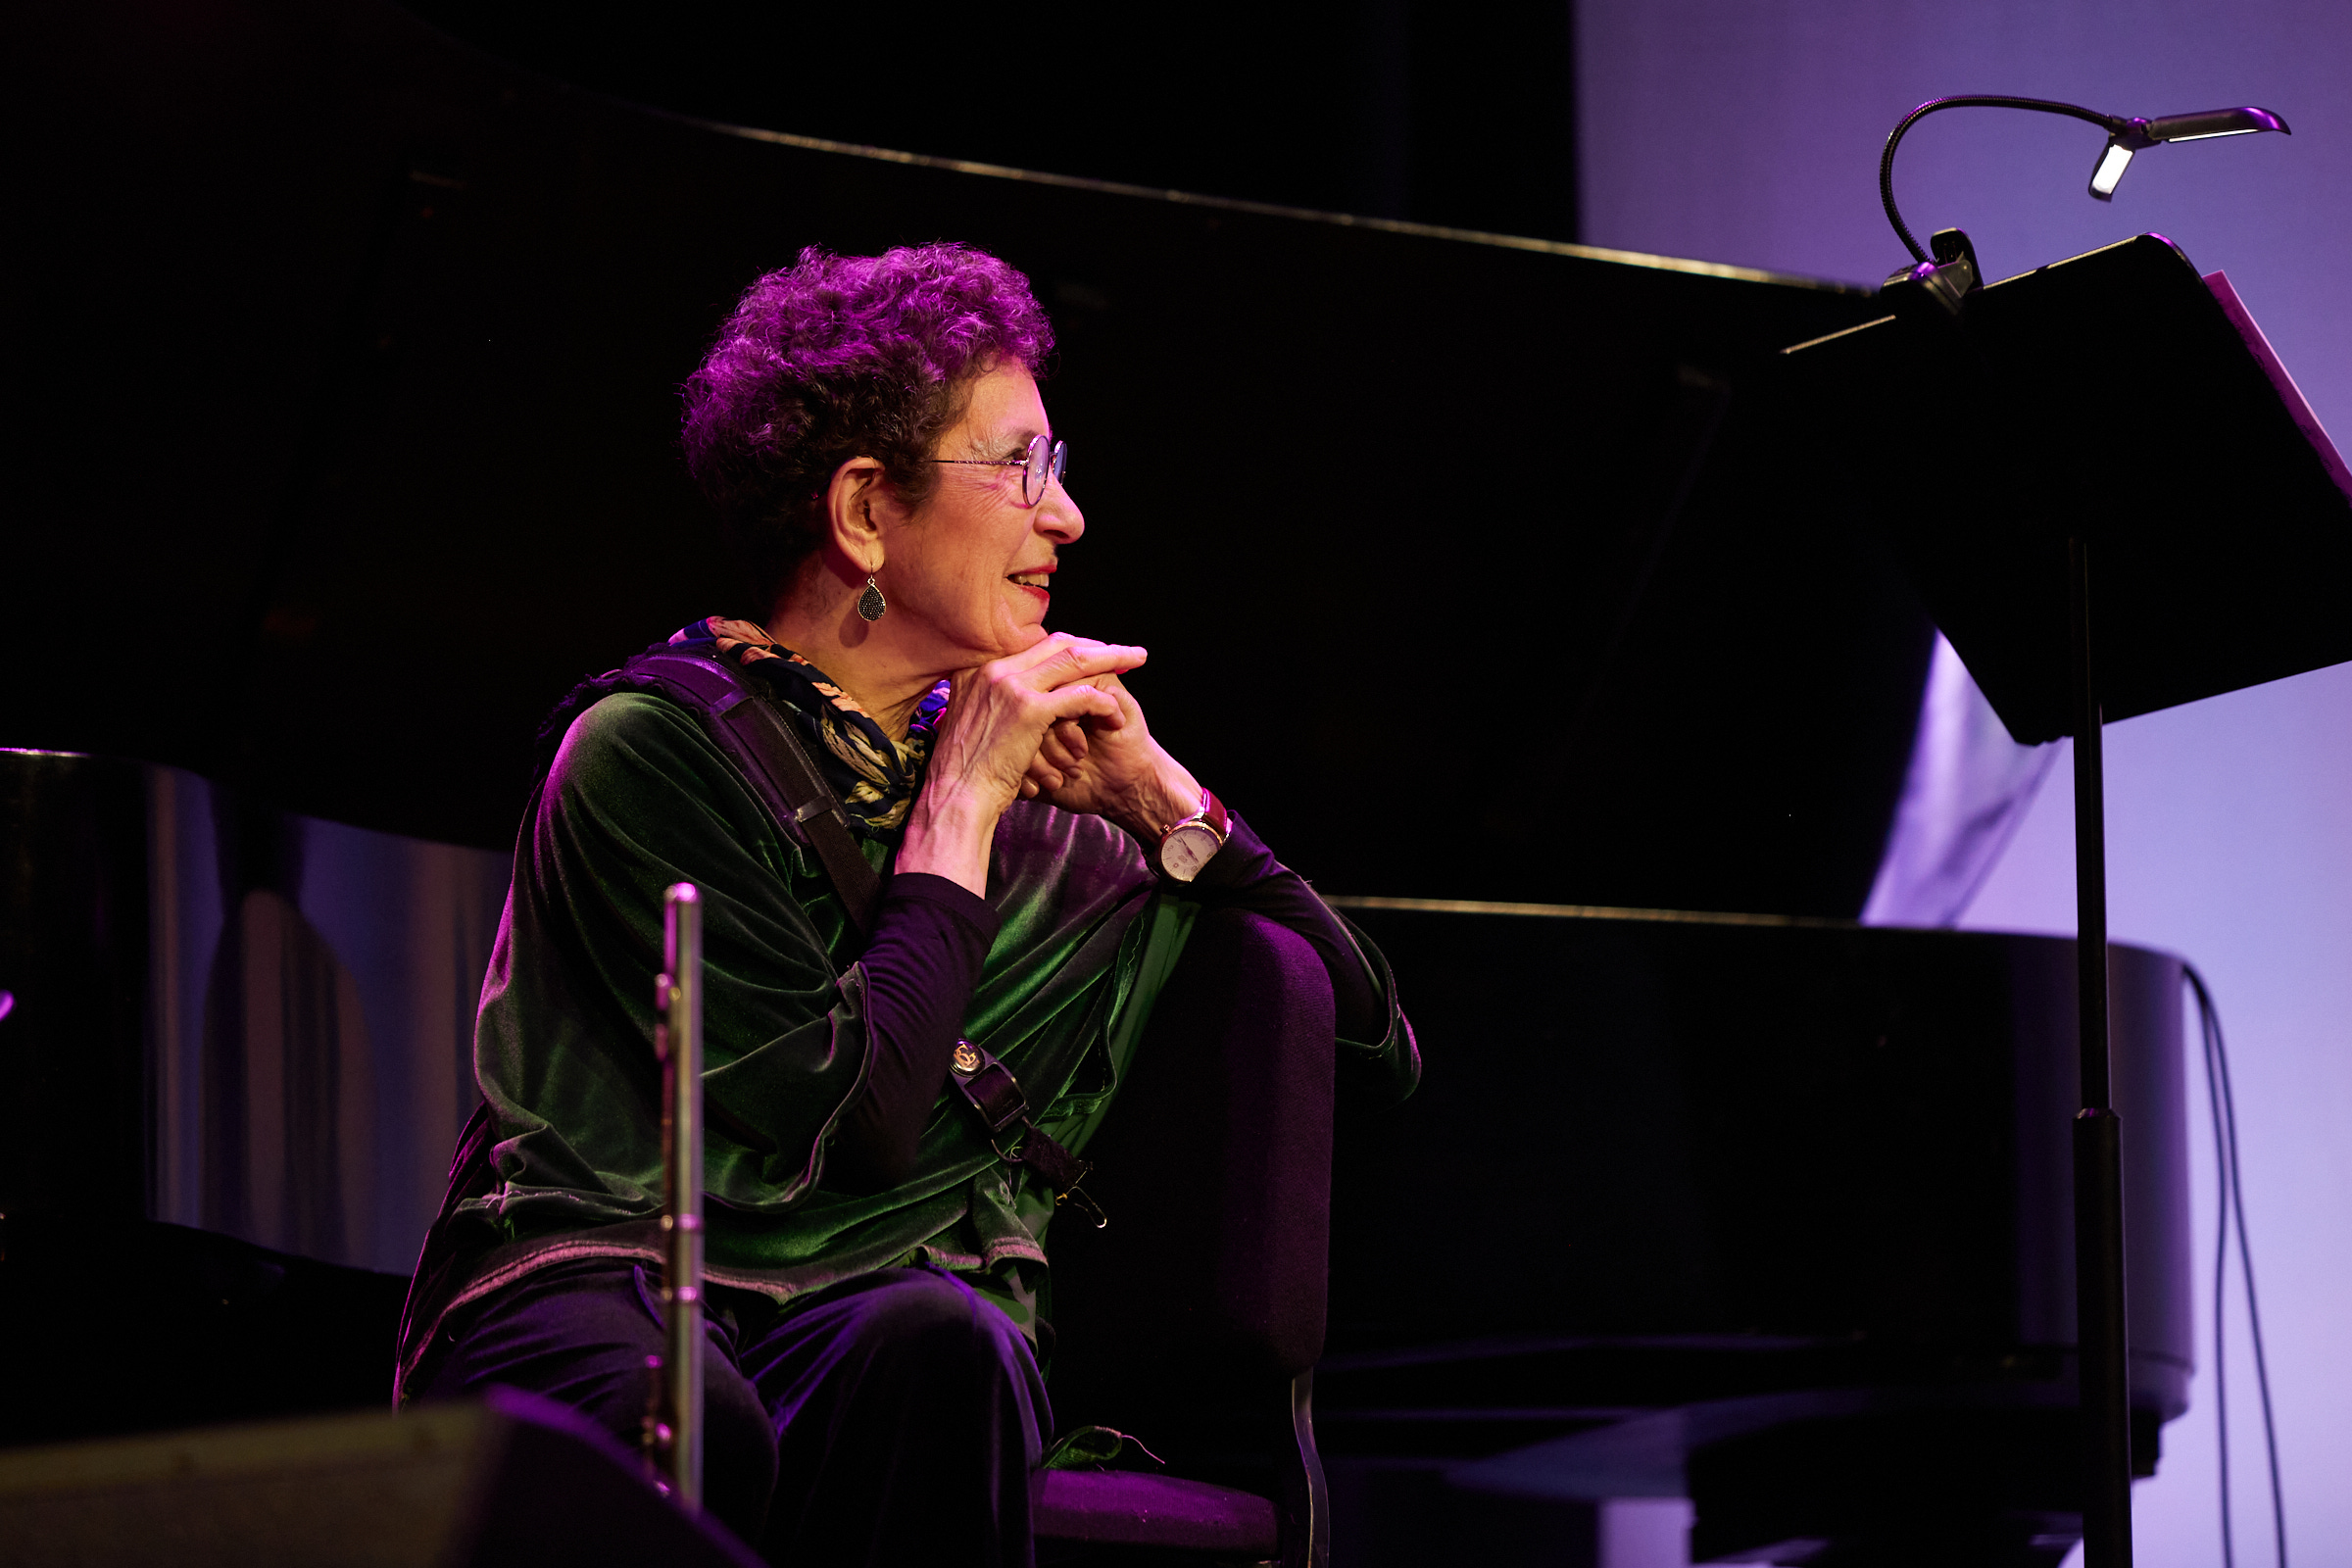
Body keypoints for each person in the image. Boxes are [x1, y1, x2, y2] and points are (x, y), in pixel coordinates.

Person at [395, 242, 1415, 1565]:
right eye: (1021, 469)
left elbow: (1364, 1050)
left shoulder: (1072, 801)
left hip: (892, 1315)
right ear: (868, 511)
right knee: (697, 1414)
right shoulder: (654, 755)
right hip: (623, 1282)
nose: (1067, 518)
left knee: (940, 1339)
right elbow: (853, 1123)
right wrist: (961, 805)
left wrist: (1170, 802)